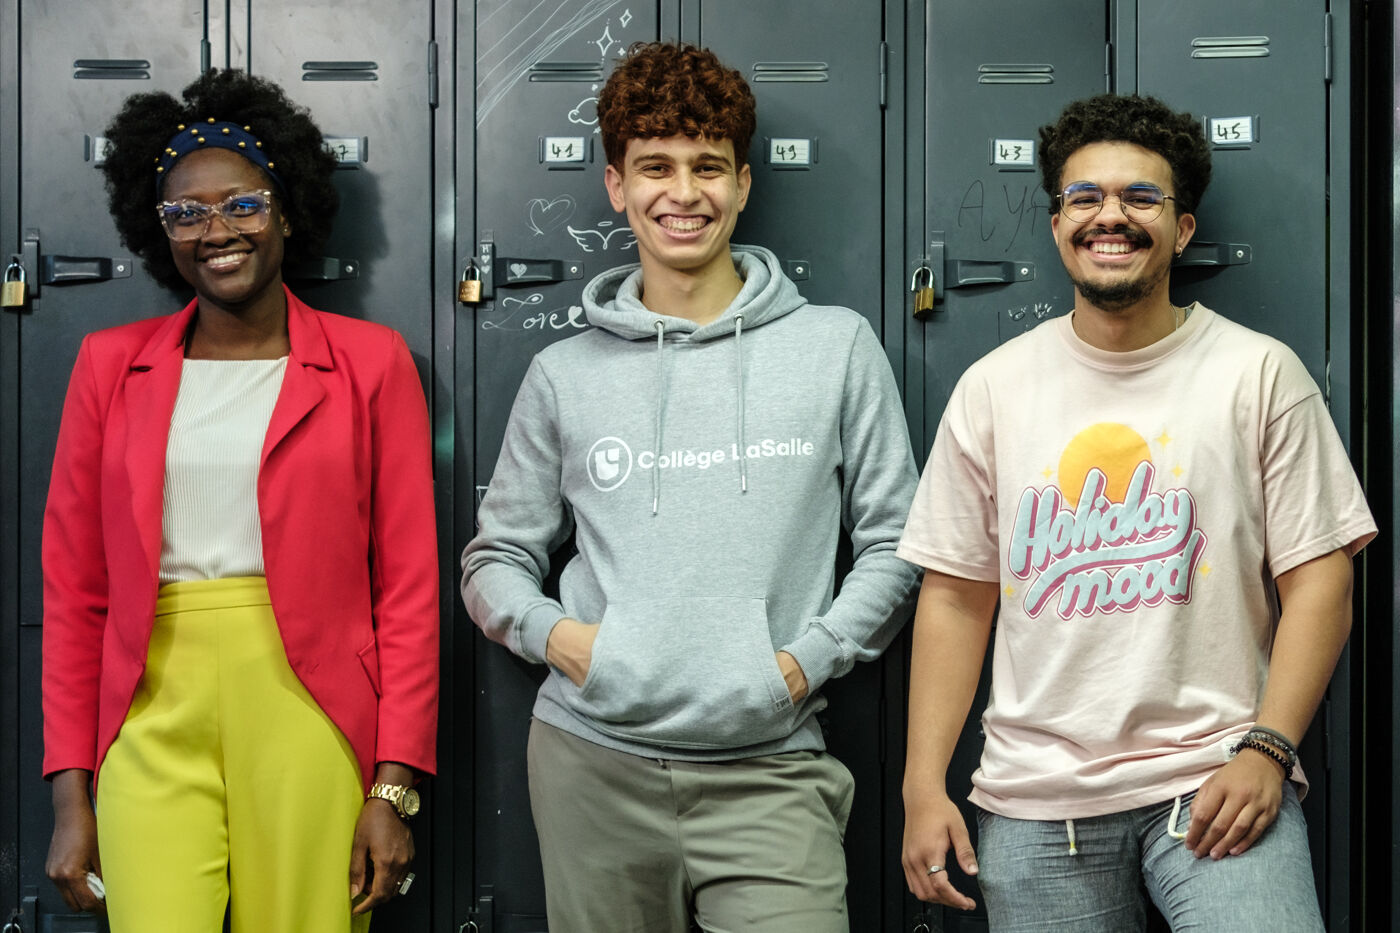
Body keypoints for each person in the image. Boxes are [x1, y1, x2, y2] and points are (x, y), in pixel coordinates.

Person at [462, 40, 919, 932]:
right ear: (616, 186)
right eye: (655, 167)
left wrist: (799, 664)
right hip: (592, 766)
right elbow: (495, 557)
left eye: (708, 167)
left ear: (743, 184)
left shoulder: (835, 346)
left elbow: (899, 542)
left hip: (773, 767)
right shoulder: (564, 372)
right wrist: (564, 640)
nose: (683, 193)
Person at [897, 92, 1376, 931]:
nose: (1108, 216)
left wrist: (1270, 747)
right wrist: (921, 784)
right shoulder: (994, 389)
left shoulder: (1259, 373)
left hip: (1217, 780)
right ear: (1057, 225)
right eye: (1085, 197)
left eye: (1139, 197)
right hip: (1037, 800)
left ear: (1182, 228)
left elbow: (1321, 577)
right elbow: (954, 595)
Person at [41, 69, 439, 931]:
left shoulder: (373, 362)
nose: (215, 231)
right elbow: (75, 593)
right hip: (150, 713)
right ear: (161, 232)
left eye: (242, 204)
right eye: (186, 211)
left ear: (287, 210)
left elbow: (407, 589)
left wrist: (395, 786)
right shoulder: (110, 367)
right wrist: (73, 795)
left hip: (311, 709)